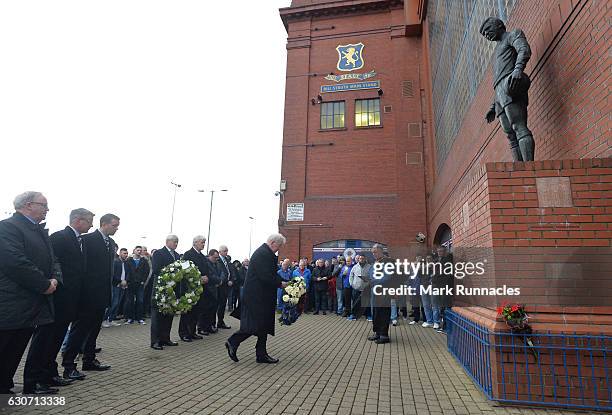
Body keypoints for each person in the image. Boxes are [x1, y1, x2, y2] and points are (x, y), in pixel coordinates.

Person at [29, 208, 94, 391]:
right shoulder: (60, 237)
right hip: (58, 298)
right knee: (47, 338)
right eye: (89, 221)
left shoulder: (80, 241)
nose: (91, 225)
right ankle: (39, 377)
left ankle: (50, 373)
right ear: (78, 220)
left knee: (56, 338)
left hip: (71, 299)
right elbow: (51, 264)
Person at [0, 192, 59, 395]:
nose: (47, 210)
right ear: (28, 205)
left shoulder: (39, 231)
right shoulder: (7, 227)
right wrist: (43, 284)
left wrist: (54, 279)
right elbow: (15, 262)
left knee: (16, 348)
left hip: (33, 302)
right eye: (44, 205)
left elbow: (53, 260)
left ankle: (4, 385)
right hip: (11, 301)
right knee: (6, 345)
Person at [62, 213, 119, 377]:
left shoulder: (111, 242)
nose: (116, 229)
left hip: (102, 294)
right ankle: (68, 365)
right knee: (79, 330)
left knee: (94, 329)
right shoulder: (88, 240)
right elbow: (83, 267)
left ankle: (89, 359)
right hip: (88, 295)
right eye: (114, 225)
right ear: (104, 224)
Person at [225, 234, 289, 364]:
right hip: (256, 297)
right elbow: (265, 276)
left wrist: (283, 281)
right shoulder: (262, 254)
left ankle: (261, 354)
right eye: (278, 246)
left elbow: (271, 274)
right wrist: (280, 284)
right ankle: (233, 341)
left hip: (262, 296)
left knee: (263, 325)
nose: (278, 249)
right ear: (272, 243)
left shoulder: (266, 253)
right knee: (253, 325)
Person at [481, 16, 534, 162]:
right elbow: (498, 78)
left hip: (510, 84)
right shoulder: (496, 52)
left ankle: (529, 168)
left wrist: (518, 70)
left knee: (519, 126)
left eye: (487, 30)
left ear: (498, 25)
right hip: (499, 93)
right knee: (510, 135)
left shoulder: (513, 35)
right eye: (484, 34)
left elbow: (524, 50)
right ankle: (519, 172)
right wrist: (493, 106)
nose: (486, 35)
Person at [150, 235, 181, 350]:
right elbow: (156, 269)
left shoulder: (177, 255)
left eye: (177, 242)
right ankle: (155, 341)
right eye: (174, 242)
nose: (176, 244)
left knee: (169, 315)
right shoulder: (159, 253)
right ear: (167, 242)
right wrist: (172, 273)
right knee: (157, 317)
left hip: (173, 290)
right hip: (161, 289)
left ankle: (165, 338)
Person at [179, 235, 209, 342]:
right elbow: (185, 270)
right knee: (187, 311)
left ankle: (192, 332)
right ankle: (184, 333)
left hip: (199, 288)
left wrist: (206, 276)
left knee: (196, 311)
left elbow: (206, 269)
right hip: (189, 288)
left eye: (204, 243)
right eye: (202, 242)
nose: (203, 244)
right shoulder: (188, 254)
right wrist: (198, 277)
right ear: (195, 242)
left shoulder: (202, 256)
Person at [368, 244, 392, 344]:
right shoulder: (375, 262)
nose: (374, 254)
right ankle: (377, 332)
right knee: (376, 312)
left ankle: (384, 335)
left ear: (381, 251)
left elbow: (387, 277)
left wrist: (373, 281)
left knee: (383, 313)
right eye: (373, 252)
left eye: (376, 252)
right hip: (375, 291)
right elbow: (370, 273)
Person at [103, 248, 131, 326]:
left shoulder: (126, 263)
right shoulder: (115, 262)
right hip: (115, 285)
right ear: (120, 253)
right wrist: (120, 281)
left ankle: (111, 319)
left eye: (126, 253)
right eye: (124, 253)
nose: (126, 255)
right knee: (113, 303)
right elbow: (113, 274)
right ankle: (105, 320)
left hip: (123, 285)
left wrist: (126, 281)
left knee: (118, 303)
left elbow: (128, 273)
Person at [197, 249, 221, 335]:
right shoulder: (206, 263)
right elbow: (209, 275)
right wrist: (218, 280)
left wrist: (220, 280)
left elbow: (221, 273)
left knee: (212, 310)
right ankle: (201, 327)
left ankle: (209, 326)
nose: (216, 259)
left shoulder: (217, 264)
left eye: (217, 258)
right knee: (204, 310)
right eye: (215, 257)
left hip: (215, 289)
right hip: (207, 289)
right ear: (210, 256)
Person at [125, 246, 150, 324]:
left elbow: (147, 271)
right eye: (137, 250)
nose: (139, 251)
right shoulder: (129, 260)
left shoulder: (144, 261)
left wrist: (143, 281)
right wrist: (127, 280)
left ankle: (140, 318)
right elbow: (126, 270)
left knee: (140, 301)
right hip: (130, 283)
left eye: (140, 250)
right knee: (130, 301)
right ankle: (130, 318)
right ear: (134, 251)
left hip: (140, 284)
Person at [216, 245, 234, 329]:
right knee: (217, 305)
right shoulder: (218, 260)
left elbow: (231, 271)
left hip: (227, 285)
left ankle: (220, 321)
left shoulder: (227, 260)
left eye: (227, 251)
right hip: (220, 285)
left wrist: (231, 280)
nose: (226, 252)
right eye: (224, 251)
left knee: (223, 304)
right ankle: (213, 323)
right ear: (220, 252)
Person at [349, 254, 371, 320]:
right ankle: (353, 315)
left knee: (367, 302)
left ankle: (368, 315)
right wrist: (352, 284)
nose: (361, 259)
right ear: (358, 259)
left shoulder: (370, 267)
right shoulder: (355, 267)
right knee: (355, 302)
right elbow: (351, 276)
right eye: (360, 258)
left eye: (363, 258)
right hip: (356, 288)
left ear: (365, 259)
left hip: (366, 288)